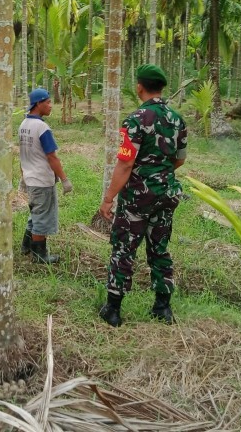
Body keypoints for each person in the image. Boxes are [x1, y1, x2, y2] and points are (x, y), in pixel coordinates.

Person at [98, 64, 187, 326]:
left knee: (124, 249)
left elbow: (126, 163)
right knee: (159, 249)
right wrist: (159, 173)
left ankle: (113, 309)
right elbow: (180, 159)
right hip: (166, 194)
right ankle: (163, 307)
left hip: (137, 197)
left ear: (139, 87)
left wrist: (108, 198)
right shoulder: (177, 119)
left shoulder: (136, 120)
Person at [19, 88, 73, 264]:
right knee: (42, 217)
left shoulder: (24, 124)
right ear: (38, 104)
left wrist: (23, 176)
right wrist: (64, 179)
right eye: (48, 102)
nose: (51, 106)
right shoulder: (42, 127)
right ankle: (39, 255)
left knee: (36, 213)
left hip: (30, 177)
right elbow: (52, 156)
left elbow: (23, 153)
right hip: (42, 180)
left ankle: (26, 246)